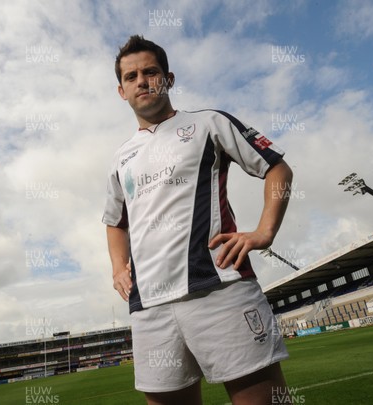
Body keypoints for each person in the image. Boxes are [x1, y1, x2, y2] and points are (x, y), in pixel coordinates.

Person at [103, 35, 293, 405]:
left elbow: (277, 170)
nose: (141, 80)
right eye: (131, 77)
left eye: (150, 71)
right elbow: (114, 220)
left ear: (168, 79)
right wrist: (117, 268)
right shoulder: (121, 158)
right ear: (121, 91)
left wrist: (264, 232)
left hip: (219, 288)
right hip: (149, 306)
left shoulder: (210, 123)